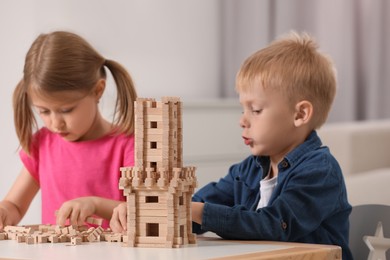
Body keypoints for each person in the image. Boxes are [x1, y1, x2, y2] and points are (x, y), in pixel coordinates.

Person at [109, 31, 352, 259]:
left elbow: (273, 225)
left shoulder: (320, 172)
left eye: (255, 110)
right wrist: (150, 211)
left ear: (300, 114)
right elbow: (198, 206)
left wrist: (187, 208)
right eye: (243, 109)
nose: (242, 120)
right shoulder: (247, 170)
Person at [0, 31, 137, 230]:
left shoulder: (127, 145)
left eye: (66, 110)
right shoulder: (42, 144)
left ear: (98, 90)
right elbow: (15, 205)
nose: (56, 123)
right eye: (44, 111)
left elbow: (143, 212)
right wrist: (4, 210)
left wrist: (95, 204)